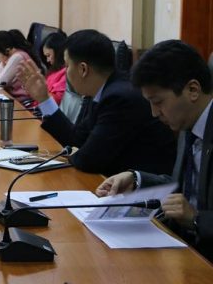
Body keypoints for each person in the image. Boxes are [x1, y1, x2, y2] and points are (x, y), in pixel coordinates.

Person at [96, 40, 213, 261]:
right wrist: (137, 180)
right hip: (182, 251)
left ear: (193, 90)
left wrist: (196, 219)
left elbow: (192, 207)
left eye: (158, 102)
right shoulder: (187, 124)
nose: (154, 113)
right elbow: (185, 190)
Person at [17, 29, 176, 176]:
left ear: (83, 69)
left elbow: (88, 160)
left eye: (67, 66)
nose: (65, 73)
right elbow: (77, 138)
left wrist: (76, 154)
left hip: (144, 189)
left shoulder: (119, 98)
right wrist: (44, 100)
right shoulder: (101, 91)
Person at [41, 32, 68, 104]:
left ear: (58, 52)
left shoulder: (66, 72)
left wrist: (38, 91)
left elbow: (57, 100)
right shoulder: (54, 69)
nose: (47, 60)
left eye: (48, 55)